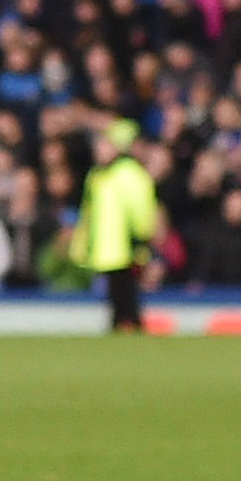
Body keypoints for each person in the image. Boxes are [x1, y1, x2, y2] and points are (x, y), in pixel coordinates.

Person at [77, 121, 159, 333]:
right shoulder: (98, 176)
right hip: (107, 246)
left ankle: (129, 325)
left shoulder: (129, 174)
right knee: (116, 291)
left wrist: (140, 238)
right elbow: (89, 214)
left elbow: (142, 209)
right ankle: (123, 325)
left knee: (125, 291)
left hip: (124, 245)